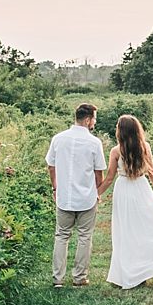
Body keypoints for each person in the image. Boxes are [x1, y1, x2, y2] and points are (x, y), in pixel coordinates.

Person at [97, 114, 153, 289]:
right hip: (142, 188)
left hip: (124, 190)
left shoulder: (115, 150)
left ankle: (130, 271)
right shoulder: (145, 147)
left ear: (121, 131)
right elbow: (152, 173)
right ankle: (140, 271)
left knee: (126, 231)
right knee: (143, 229)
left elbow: (110, 178)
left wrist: (97, 193)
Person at [46, 102, 105, 288]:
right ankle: (80, 278)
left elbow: (51, 165)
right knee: (84, 236)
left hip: (64, 197)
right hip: (86, 197)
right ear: (88, 120)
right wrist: (98, 191)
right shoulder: (94, 142)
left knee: (61, 236)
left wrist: (55, 188)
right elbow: (98, 172)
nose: (94, 122)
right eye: (94, 118)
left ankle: (58, 279)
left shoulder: (58, 138)